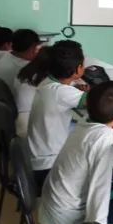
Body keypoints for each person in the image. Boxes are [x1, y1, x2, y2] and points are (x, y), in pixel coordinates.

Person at [39, 81, 113, 224]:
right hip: (67, 222)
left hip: (51, 211)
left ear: (87, 104)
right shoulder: (103, 138)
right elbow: (100, 189)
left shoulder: (84, 121)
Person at [21, 40, 91, 189]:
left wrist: (75, 87)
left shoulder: (48, 81)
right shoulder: (62, 92)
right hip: (48, 168)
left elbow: (68, 93)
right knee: (111, 180)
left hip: (39, 160)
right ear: (78, 69)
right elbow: (101, 102)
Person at [0, 29, 42, 136]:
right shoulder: (24, 70)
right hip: (20, 115)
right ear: (33, 47)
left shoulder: (7, 57)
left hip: (5, 110)